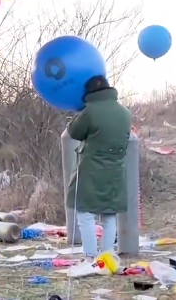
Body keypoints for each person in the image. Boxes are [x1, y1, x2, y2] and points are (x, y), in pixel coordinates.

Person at [66, 76, 132, 259]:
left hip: (92, 169)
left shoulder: (90, 112)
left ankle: (89, 256)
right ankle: (107, 256)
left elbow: (75, 132)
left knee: (86, 214)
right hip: (116, 169)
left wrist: (78, 113)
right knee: (109, 215)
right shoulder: (125, 112)